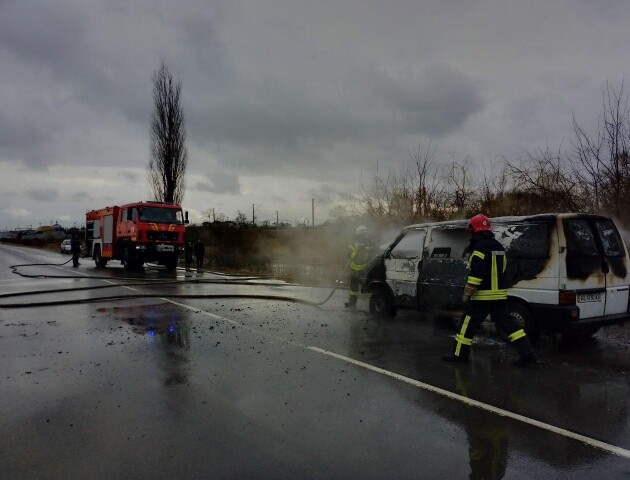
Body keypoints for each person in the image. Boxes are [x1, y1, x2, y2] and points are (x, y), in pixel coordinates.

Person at [442, 214, 537, 367]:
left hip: (481, 297)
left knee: (467, 326)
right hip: (499, 296)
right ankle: (528, 354)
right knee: (510, 326)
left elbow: (476, 273)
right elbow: (504, 269)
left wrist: (468, 292)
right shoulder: (498, 246)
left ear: (474, 229)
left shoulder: (478, 247)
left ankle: (459, 355)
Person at [345, 225, 373, 311]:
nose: (365, 236)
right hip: (355, 269)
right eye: (363, 234)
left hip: (366, 269)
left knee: (370, 286)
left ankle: (373, 304)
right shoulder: (353, 243)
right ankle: (352, 304)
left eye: (365, 234)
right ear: (358, 235)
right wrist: (356, 254)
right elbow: (349, 253)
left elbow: (373, 252)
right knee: (353, 288)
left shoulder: (369, 243)